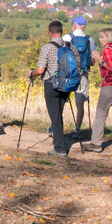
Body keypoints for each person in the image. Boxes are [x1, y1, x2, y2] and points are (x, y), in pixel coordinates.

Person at [27, 20, 72, 157]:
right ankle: (59, 141)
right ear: (61, 31)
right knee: (58, 114)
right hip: (67, 84)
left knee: (55, 115)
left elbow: (40, 70)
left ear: (49, 32)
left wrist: (31, 73)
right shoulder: (70, 46)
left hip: (51, 84)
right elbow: (78, 65)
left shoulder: (47, 47)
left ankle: (59, 148)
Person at [82, 28, 112, 153]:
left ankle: (96, 143)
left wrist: (100, 61)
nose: (100, 40)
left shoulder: (107, 50)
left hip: (109, 85)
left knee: (101, 113)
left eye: (102, 37)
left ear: (109, 37)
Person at [62, 16, 93, 138]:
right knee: (80, 104)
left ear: (74, 25)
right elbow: (92, 61)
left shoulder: (67, 37)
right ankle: (78, 129)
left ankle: (57, 128)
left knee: (61, 102)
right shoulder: (90, 39)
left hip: (69, 76)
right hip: (83, 75)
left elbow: (62, 57)